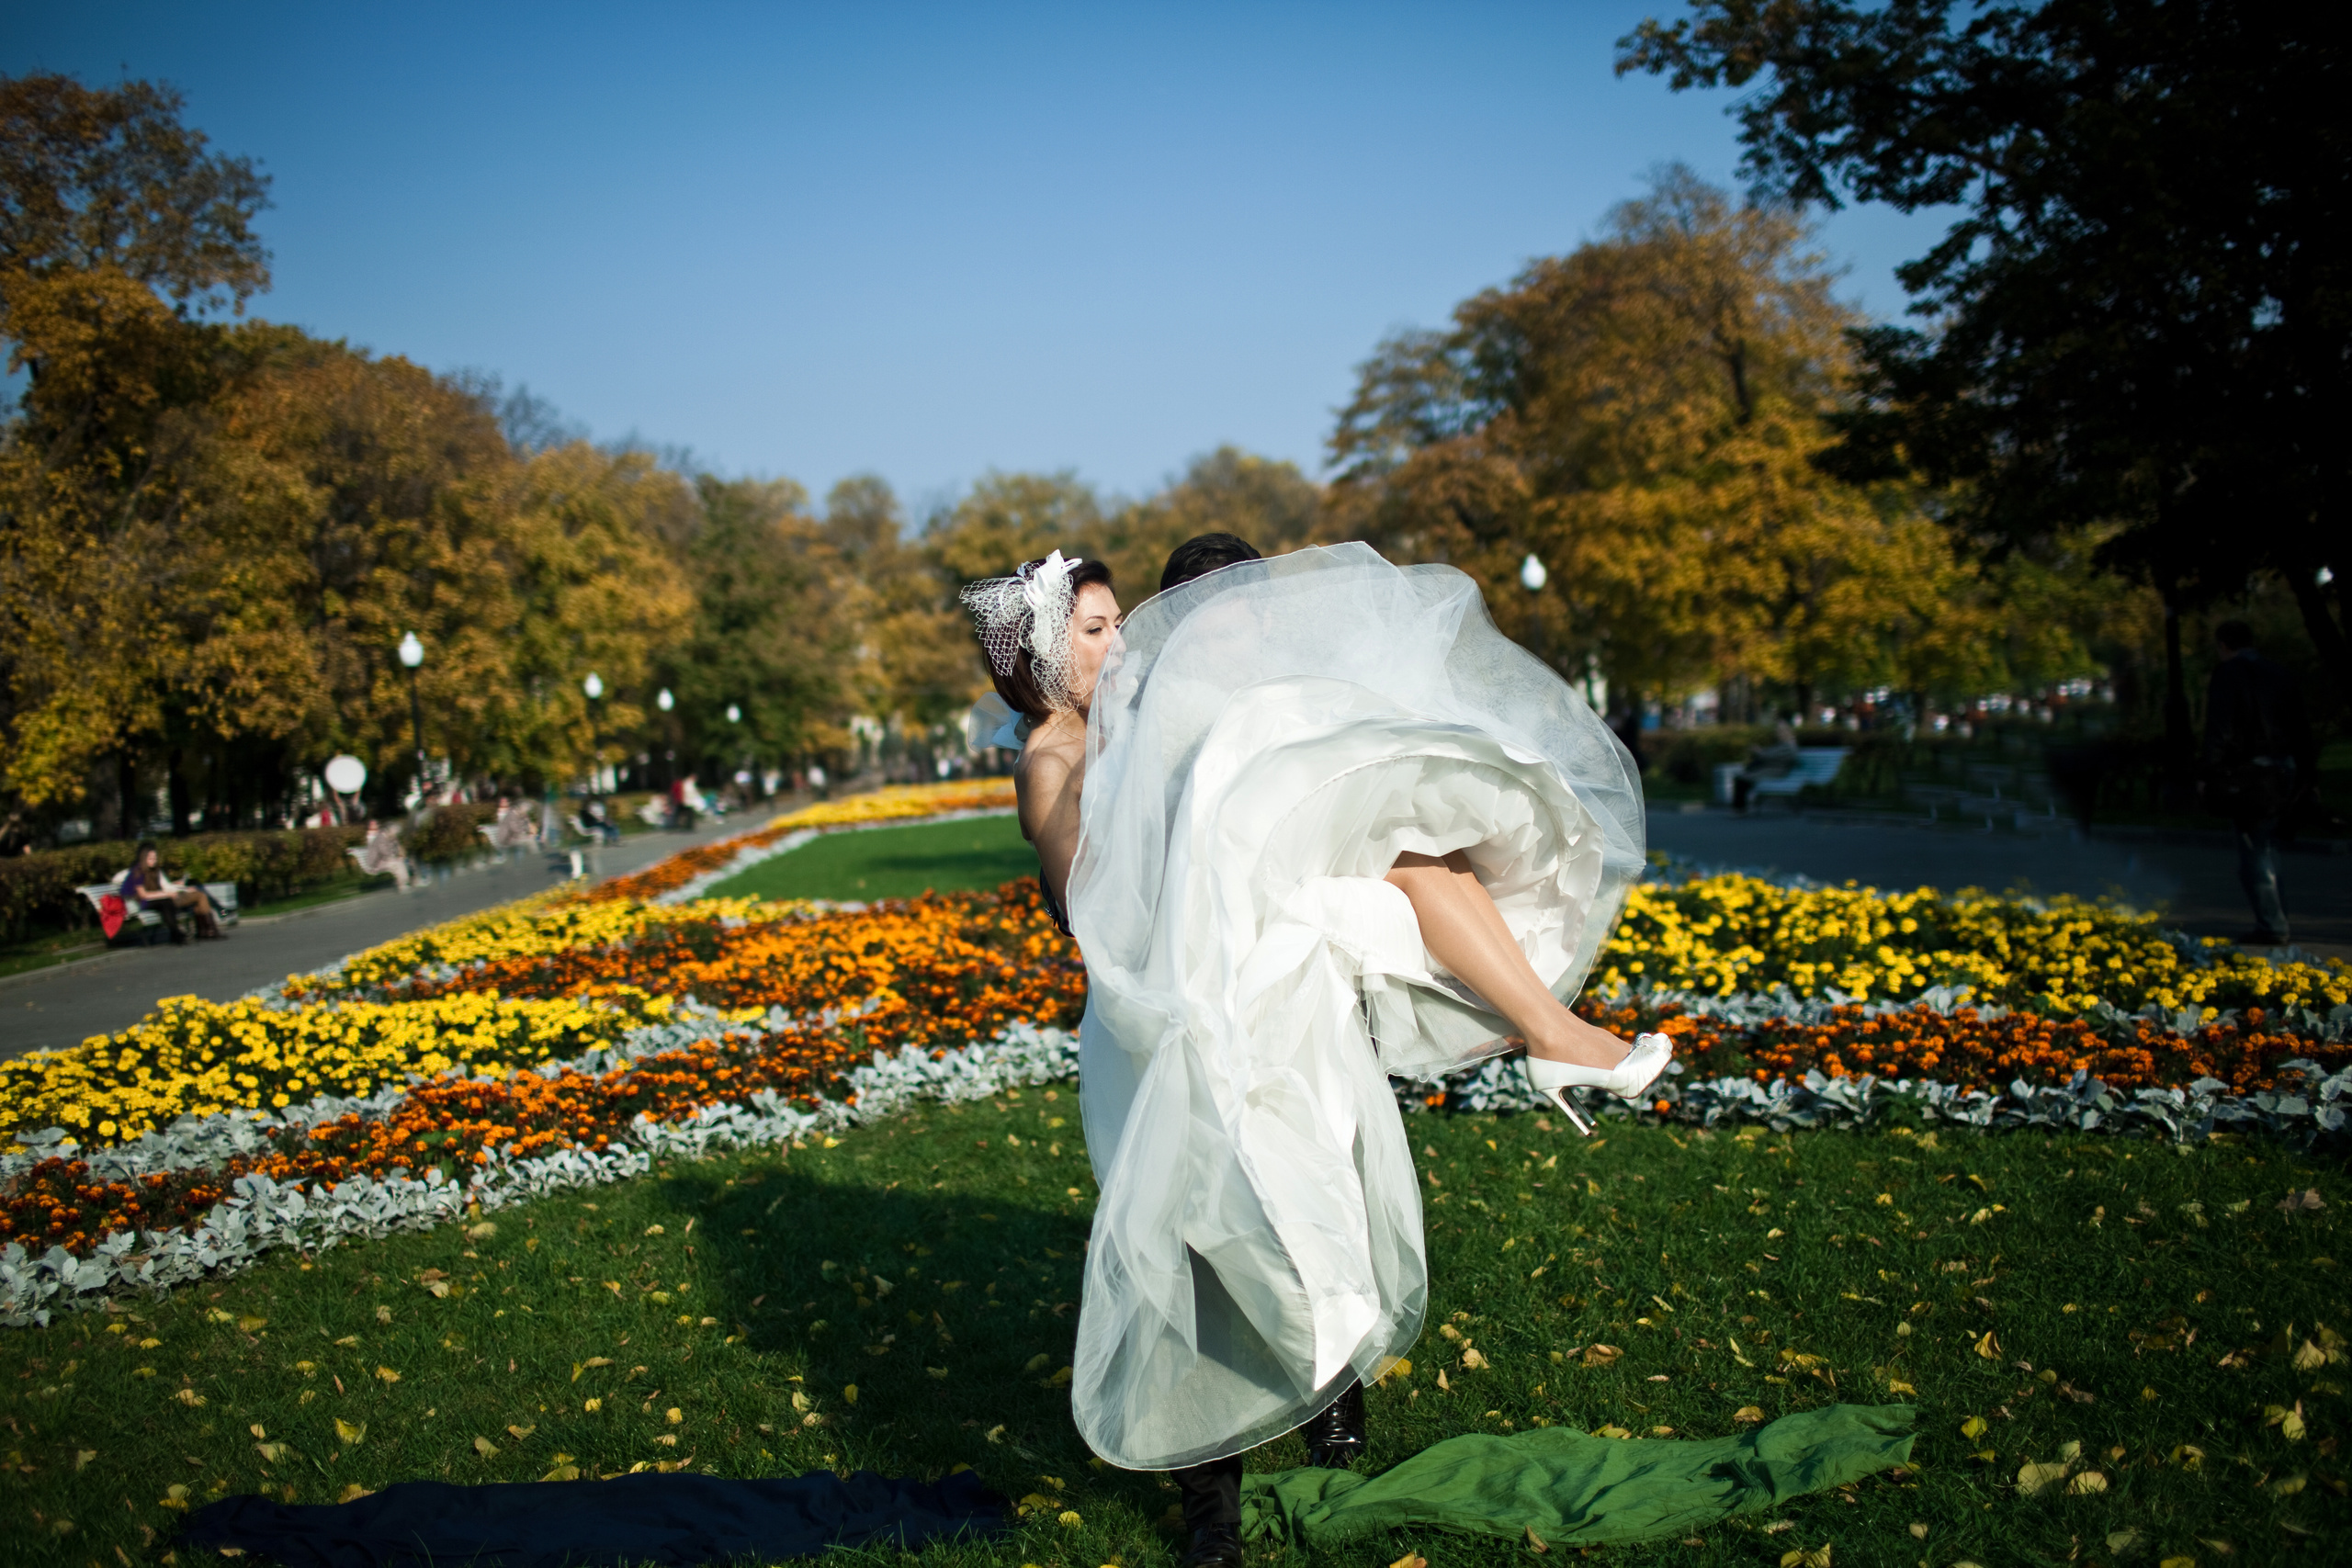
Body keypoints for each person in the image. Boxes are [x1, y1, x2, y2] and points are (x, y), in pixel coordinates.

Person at [961, 540, 1665, 1568]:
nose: (1125, 643)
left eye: (1120, 624)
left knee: (1410, 869)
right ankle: (1209, 1502)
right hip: (1160, 1026)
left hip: (1249, 979)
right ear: (1041, 658)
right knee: (1194, 1244)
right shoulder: (1053, 760)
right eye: (1099, 629)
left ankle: (1547, 1036)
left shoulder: (1157, 711)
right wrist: (1133, 760)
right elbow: (1089, 911)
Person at [2201, 619, 2311, 945]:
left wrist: (2210, 771)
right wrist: (2307, 773)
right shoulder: (2279, 673)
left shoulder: (2229, 675)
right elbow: (2301, 725)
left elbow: (2219, 728)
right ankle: (2274, 919)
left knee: (2255, 849)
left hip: (2251, 773)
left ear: (2224, 645)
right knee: (2266, 845)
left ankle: (2272, 924)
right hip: (2284, 766)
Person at [119, 841, 224, 943]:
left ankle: (208, 930)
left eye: (155, 858)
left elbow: (166, 886)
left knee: (200, 895)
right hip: (150, 901)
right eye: (150, 858)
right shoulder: (138, 872)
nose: (154, 861)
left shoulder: (156, 870)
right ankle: (198, 931)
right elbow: (144, 895)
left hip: (165, 897)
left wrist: (184, 888)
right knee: (174, 901)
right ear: (143, 858)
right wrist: (168, 894)